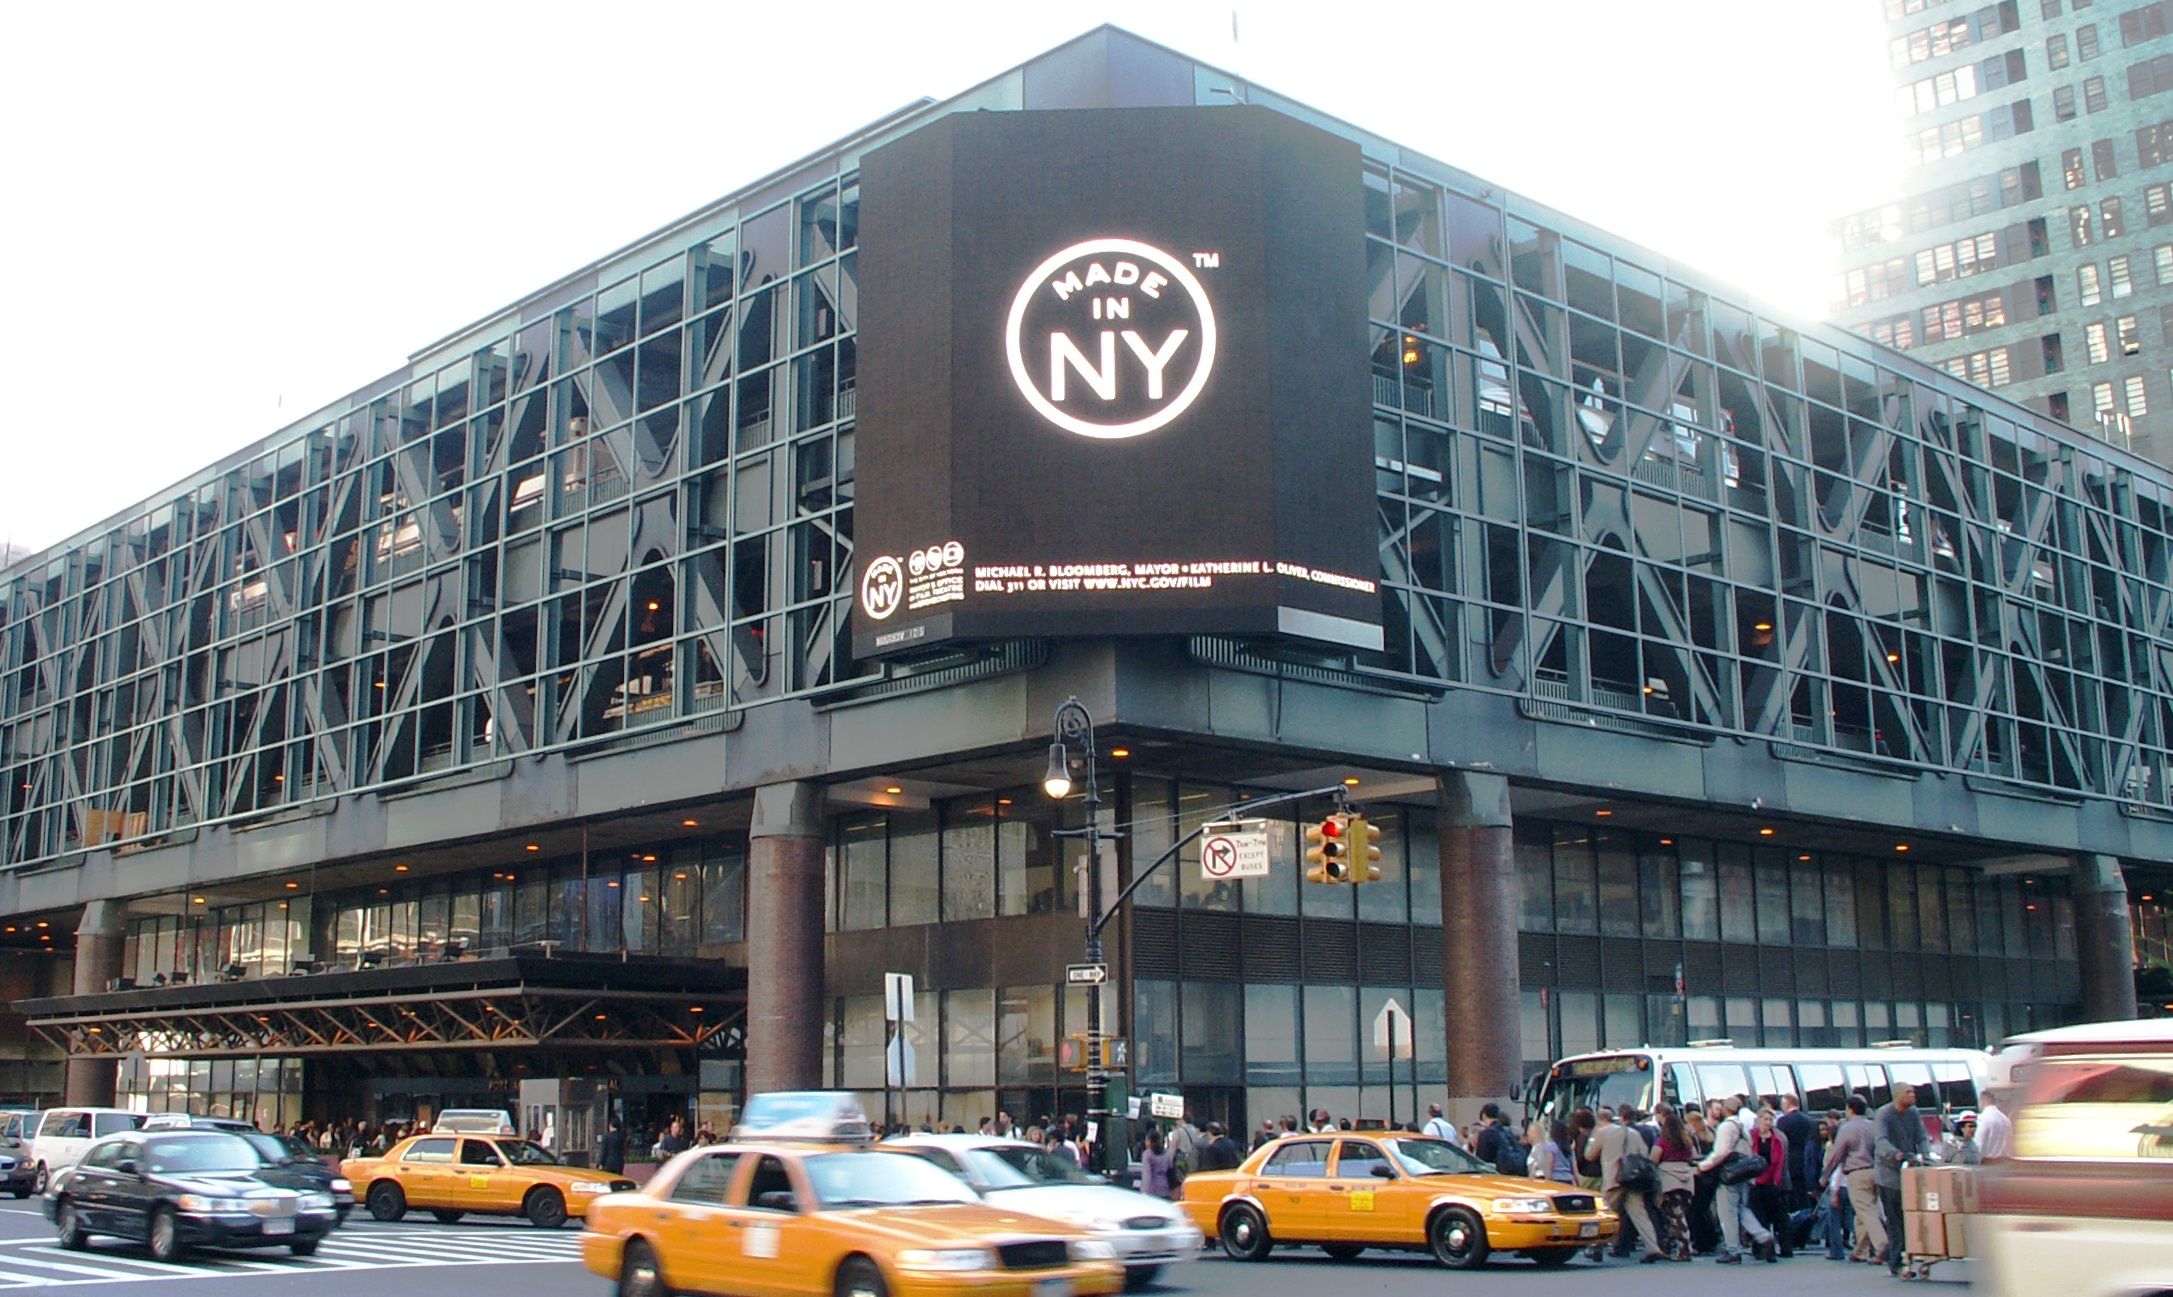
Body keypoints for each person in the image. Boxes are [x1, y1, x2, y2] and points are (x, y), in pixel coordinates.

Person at [1697, 1096, 1775, 1264]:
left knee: (1727, 1212)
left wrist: (1703, 1166)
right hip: (1743, 1174)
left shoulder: (1726, 1127)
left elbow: (1720, 1153)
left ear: (1727, 1109)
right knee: (1741, 1209)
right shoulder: (1741, 1127)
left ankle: (1733, 1250)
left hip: (1729, 1176)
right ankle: (1764, 1236)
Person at [1587, 1106, 1665, 1263]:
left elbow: (1589, 1155)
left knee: (1605, 1212)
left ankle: (1596, 1246)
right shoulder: (1634, 1133)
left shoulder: (1603, 1132)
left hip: (1613, 1178)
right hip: (1634, 1178)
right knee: (1639, 1213)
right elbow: (1644, 1154)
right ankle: (1653, 1247)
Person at [1874, 1083, 1930, 1277]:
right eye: (1908, 1092)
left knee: (1911, 1218)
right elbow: (1881, 1141)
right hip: (1889, 1175)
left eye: (1913, 1091)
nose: (1913, 1095)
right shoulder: (1884, 1114)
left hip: (1910, 1171)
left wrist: (1924, 1154)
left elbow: (1922, 1136)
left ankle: (1900, 1253)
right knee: (1895, 1220)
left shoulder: (1913, 1113)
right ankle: (1896, 1261)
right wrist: (1895, 1154)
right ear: (1897, 1095)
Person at [1823, 1095, 1881, 1264]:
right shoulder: (1873, 1126)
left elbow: (1837, 1155)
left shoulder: (1847, 1128)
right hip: (1875, 1171)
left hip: (1856, 1173)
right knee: (1862, 1214)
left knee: (1865, 1211)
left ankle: (1882, 1245)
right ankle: (1860, 1251)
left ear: (1850, 1109)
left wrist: (1826, 1175)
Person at [1652, 1104, 1698, 1262]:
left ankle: (1684, 1249)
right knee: (1680, 1215)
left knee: (1675, 1217)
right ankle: (1669, 1245)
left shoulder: (1662, 1141)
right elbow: (1695, 1156)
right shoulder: (1687, 1141)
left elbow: (1653, 1159)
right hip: (1686, 1179)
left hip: (1669, 1179)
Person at [1744, 1108, 1791, 1259]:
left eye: (1770, 1120)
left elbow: (1779, 1162)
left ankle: (1784, 1248)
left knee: (1779, 1216)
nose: (1768, 1123)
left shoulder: (1777, 1138)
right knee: (1759, 1216)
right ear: (1758, 1120)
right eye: (1765, 1119)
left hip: (1771, 1181)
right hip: (1754, 1181)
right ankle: (1761, 1249)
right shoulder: (1751, 1136)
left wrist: (1777, 1181)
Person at [1976, 1088, 2013, 1162]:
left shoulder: (1983, 1119)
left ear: (1982, 1101)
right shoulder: (2006, 1120)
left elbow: (1979, 1144)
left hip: (1988, 1163)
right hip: (2005, 1162)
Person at [1472, 1103, 1514, 1168]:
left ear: (1484, 1115)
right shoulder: (1509, 1133)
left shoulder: (1486, 1135)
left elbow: (1482, 1161)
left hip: (1494, 1174)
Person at [1140, 1128, 1176, 1200]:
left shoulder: (1148, 1154)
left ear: (1150, 1141)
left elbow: (1147, 1174)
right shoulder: (1167, 1153)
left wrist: (1144, 1191)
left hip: (1152, 1189)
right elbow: (1171, 1171)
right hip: (1165, 1188)